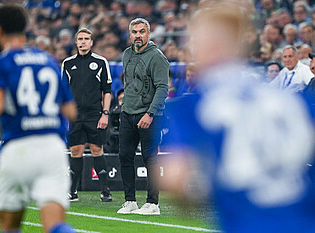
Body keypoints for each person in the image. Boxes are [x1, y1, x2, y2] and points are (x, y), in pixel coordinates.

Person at [161, 3, 315, 233]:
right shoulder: (293, 102)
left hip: (249, 223)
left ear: (203, 46)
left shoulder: (197, 104)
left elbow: (174, 177)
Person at [0, 4, 77, 233]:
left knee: (9, 224)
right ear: (25, 28)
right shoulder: (48, 60)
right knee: (55, 225)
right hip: (53, 147)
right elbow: (70, 111)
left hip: (18, 146)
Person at [117, 18, 169, 215]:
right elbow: (129, 85)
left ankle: (153, 203)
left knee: (150, 158)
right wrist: (125, 109)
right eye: (134, 32)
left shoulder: (157, 57)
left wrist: (150, 113)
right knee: (124, 157)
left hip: (148, 115)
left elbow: (163, 88)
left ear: (148, 34)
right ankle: (130, 201)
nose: (138, 35)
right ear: (130, 35)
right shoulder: (127, 54)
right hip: (128, 113)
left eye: (142, 31)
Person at [61, 28, 113, 202]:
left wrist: (105, 113)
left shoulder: (100, 62)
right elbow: (64, 92)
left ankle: (105, 190)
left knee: (97, 149)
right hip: (75, 115)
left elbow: (107, 91)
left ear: (91, 42)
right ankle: (72, 191)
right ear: (76, 42)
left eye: (87, 39)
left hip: (94, 114)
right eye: (80, 39)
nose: (83, 42)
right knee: (75, 150)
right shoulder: (67, 63)